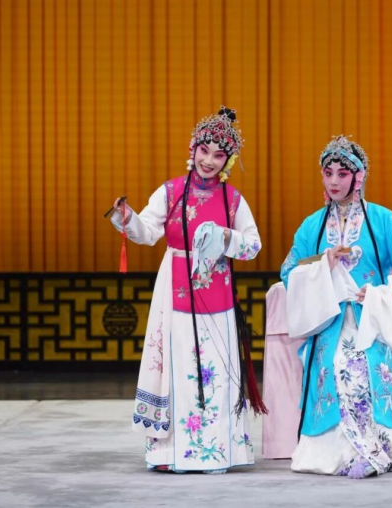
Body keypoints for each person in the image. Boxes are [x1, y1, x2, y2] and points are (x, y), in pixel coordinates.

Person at [111, 107, 264, 474]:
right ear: (193, 148)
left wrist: (225, 238)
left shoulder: (233, 199)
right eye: (204, 151)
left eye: (219, 155)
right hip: (175, 288)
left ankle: (217, 452)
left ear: (228, 160)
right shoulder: (171, 192)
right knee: (176, 366)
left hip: (218, 293)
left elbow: (253, 245)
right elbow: (148, 232)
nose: (208, 161)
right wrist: (128, 218)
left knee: (215, 370)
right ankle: (171, 452)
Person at [280, 135, 392, 478]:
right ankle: (338, 455)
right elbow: (290, 270)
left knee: (362, 367)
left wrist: (381, 294)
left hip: (372, 321)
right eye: (328, 173)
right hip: (330, 322)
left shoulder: (384, 221)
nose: (334, 181)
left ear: (358, 177)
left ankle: (375, 452)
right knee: (336, 364)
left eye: (342, 173)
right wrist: (324, 265)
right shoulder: (311, 226)